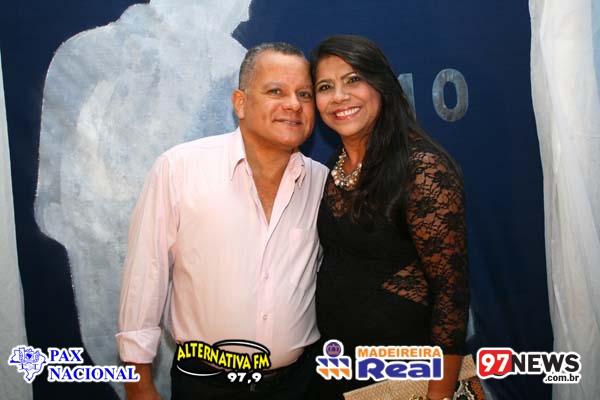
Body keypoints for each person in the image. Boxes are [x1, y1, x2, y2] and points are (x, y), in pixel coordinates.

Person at [116, 42, 328, 400]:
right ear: (240, 103)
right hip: (205, 386)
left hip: (299, 385)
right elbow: (145, 277)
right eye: (276, 91)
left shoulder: (322, 183)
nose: (293, 104)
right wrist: (138, 386)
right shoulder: (179, 169)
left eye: (304, 94)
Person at [310, 34, 469, 400]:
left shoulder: (421, 168)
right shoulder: (335, 165)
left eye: (353, 80)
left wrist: (440, 396)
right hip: (340, 370)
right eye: (325, 86)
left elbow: (452, 298)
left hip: (404, 375)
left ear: (380, 84)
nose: (339, 96)